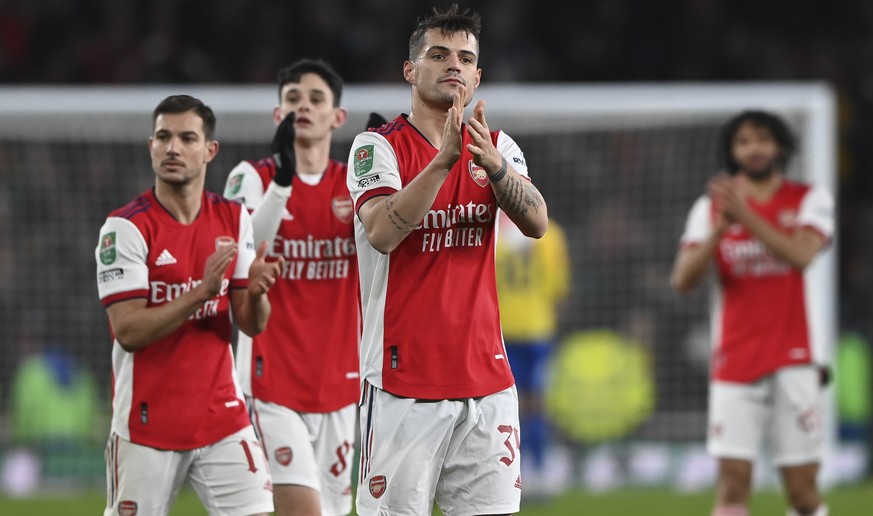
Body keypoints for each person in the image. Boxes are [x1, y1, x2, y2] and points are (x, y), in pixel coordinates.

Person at [346, 4, 549, 515]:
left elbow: (537, 222)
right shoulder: (377, 148)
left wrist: (497, 168)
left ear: (478, 76)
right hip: (402, 384)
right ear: (410, 70)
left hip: (488, 385)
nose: (453, 66)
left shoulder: (498, 147)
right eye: (438, 55)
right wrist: (444, 162)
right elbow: (383, 232)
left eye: (464, 58)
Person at [94, 94, 281, 516]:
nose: (173, 148)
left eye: (186, 138)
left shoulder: (233, 217)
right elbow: (128, 331)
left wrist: (258, 291)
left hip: (222, 417)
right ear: (151, 146)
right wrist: (201, 291)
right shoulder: (125, 228)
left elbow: (252, 324)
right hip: (147, 422)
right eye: (163, 137)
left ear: (209, 150)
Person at [670, 110, 834, 516]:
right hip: (735, 361)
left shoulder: (809, 198)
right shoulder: (710, 209)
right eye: (743, 141)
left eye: (762, 139)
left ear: (780, 145)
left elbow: (800, 255)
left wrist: (745, 216)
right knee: (732, 482)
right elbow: (683, 281)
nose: (754, 148)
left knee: (801, 491)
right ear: (732, 151)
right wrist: (719, 230)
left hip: (794, 359)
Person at [223, 58, 360, 516]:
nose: (304, 106)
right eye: (293, 99)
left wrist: (391, 178)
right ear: (278, 115)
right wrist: (282, 183)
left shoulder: (356, 184)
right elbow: (245, 253)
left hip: (341, 384)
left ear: (337, 117)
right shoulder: (252, 177)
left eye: (316, 99)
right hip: (271, 381)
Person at [495, 211, 570, 497]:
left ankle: (512, 471)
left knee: (507, 405)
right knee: (536, 403)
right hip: (539, 329)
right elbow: (559, 287)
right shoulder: (551, 233)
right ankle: (539, 470)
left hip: (502, 329)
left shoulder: (493, 229)